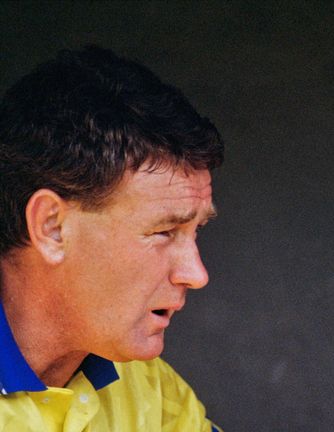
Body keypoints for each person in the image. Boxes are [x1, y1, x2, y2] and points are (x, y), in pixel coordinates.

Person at [0, 46, 224, 431]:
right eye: (164, 231)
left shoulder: (150, 391)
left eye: (195, 230)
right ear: (51, 226)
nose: (196, 274)